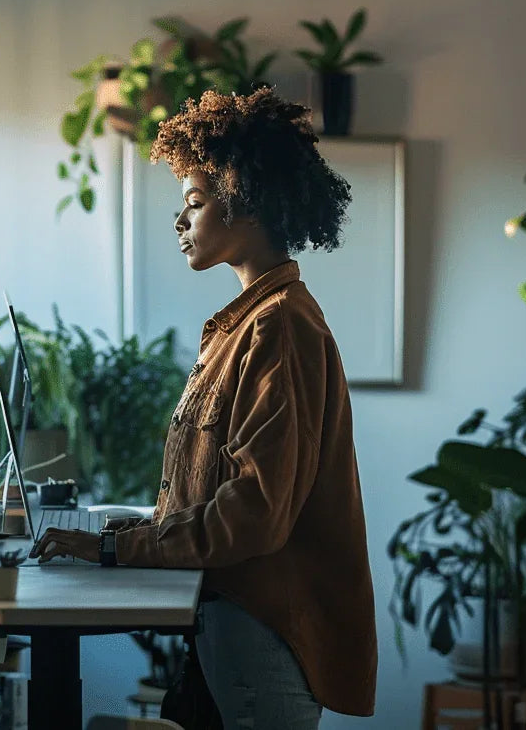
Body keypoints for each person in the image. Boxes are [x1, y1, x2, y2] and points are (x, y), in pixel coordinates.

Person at [32, 87, 376, 728]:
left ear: (244, 197)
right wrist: (119, 536)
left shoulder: (280, 327)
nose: (180, 221)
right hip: (234, 624)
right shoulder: (247, 324)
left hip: (265, 633)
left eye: (194, 202)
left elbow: (254, 514)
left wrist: (115, 551)